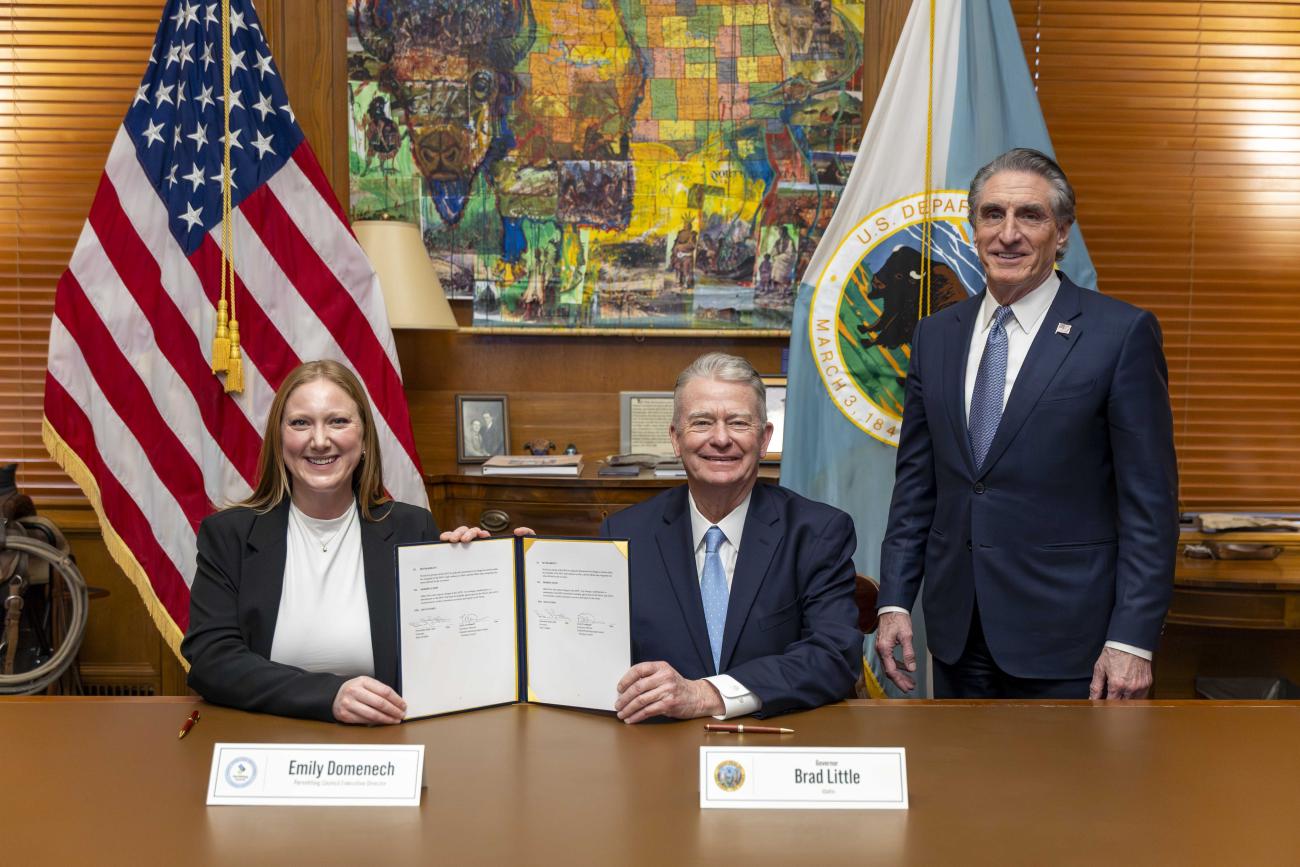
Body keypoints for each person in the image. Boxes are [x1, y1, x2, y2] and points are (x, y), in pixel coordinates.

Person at [875, 148, 1178, 700]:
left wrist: (1132, 639)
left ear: (1061, 233)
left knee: (1070, 765)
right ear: (974, 230)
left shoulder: (1119, 334)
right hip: (958, 633)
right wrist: (894, 600)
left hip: (1073, 641)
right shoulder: (935, 336)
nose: (1008, 234)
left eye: (1030, 216)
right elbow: (916, 487)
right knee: (959, 762)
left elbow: (1150, 508)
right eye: (993, 214)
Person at [182, 360, 446, 724]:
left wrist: (474, 565)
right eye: (300, 423)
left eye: (337, 421)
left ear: (364, 439)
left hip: (383, 739)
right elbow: (212, 661)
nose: (319, 441)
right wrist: (329, 696)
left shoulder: (412, 529)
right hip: (262, 738)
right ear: (279, 440)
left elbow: (445, 654)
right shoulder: (229, 535)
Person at [602, 353, 861, 723]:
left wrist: (708, 694)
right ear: (676, 438)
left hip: (777, 738)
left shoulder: (817, 532)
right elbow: (593, 653)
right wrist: (530, 574)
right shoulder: (623, 536)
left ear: (764, 438)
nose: (721, 439)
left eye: (738, 423)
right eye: (702, 422)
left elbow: (833, 657)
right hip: (657, 743)